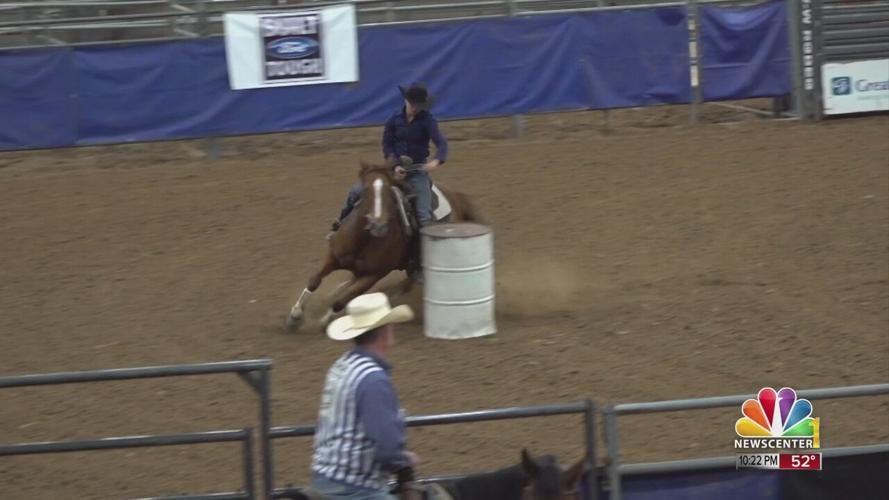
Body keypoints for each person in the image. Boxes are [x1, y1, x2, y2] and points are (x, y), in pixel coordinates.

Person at [311, 293, 421, 499]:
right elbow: (387, 448)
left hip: (324, 477)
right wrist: (404, 460)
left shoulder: (341, 366)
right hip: (354, 487)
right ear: (386, 331)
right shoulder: (374, 380)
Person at [330, 82, 448, 236]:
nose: (416, 108)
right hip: (392, 169)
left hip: (417, 171)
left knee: (423, 215)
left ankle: (423, 253)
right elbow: (387, 144)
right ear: (406, 100)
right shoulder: (394, 119)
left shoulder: (428, 120)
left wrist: (437, 160)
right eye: (413, 104)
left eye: (419, 106)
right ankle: (341, 222)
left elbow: (441, 143)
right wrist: (396, 164)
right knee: (356, 191)